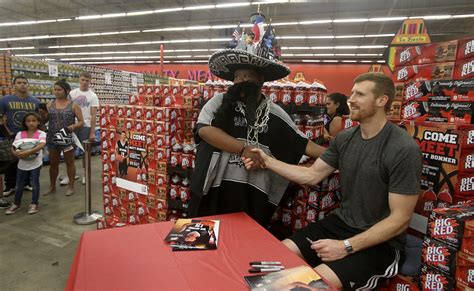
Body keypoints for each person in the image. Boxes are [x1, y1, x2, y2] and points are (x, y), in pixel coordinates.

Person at [244, 72, 422, 289]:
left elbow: (400, 220)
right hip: (340, 224)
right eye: (352, 93)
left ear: (381, 101)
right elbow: (311, 175)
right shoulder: (345, 139)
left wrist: (346, 246)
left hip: (381, 242)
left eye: (360, 94)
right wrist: (267, 161)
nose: (351, 99)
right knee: (274, 260)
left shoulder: (402, 148)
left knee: (309, 285)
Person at [188, 44, 325, 227]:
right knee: (204, 243)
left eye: (246, 76)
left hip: (251, 195)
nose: (240, 81)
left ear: (260, 80)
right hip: (212, 189)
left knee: (245, 243)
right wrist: (243, 150)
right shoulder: (218, 102)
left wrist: (336, 155)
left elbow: (301, 143)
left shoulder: (275, 113)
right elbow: (205, 130)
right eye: (236, 77)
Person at [0, 76, 42, 196]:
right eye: (19, 83)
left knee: (29, 159)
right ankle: (10, 186)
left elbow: (40, 119)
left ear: (28, 85)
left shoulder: (35, 102)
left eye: (24, 82)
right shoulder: (5, 100)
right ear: (14, 85)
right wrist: (6, 132)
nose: (22, 85)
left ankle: (27, 183)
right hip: (11, 135)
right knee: (11, 162)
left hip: (29, 135)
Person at [45, 80, 84, 196]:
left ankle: (71, 186)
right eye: (55, 89)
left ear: (66, 91)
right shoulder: (49, 104)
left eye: (59, 90)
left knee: (69, 162)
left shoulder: (74, 105)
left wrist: (73, 126)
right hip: (52, 137)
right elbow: (46, 120)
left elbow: (81, 122)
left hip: (66, 138)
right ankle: (52, 186)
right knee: (53, 163)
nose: (56, 92)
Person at [60, 71, 99, 186]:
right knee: (68, 151)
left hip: (85, 126)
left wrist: (92, 132)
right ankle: (70, 175)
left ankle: (85, 175)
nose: (84, 82)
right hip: (72, 126)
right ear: (79, 80)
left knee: (85, 152)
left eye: (87, 80)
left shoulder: (93, 96)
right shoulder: (72, 93)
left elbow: (93, 115)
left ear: (90, 82)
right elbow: (66, 110)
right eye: (83, 80)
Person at [5, 112, 46, 215]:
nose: (31, 123)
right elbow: (14, 146)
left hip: (35, 163)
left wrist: (29, 152)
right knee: (18, 185)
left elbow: (41, 144)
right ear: (24, 123)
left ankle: (34, 203)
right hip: (22, 164)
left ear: (38, 122)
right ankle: (16, 203)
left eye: (34, 121)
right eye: (28, 121)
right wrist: (15, 153)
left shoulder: (41, 133)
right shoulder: (20, 134)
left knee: (35, 184)